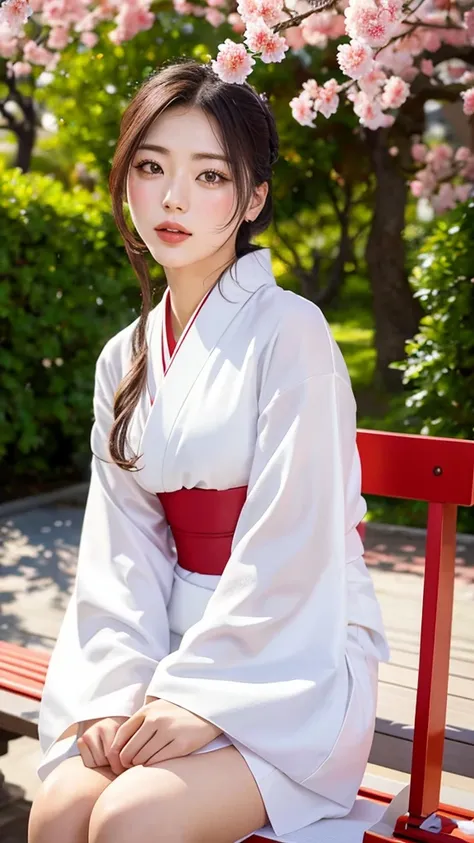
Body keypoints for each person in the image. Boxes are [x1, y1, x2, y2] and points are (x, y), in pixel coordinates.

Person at [29, 58, 389, 843]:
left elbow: (297, 548)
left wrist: (203, 699)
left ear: (254, 197)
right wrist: (111, 692)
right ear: (127, 179)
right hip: (163, 650)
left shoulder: (291, 332)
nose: (174, 197)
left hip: (293, 660)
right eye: (152, 167)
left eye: (210, 175)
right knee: (57, 810)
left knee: (130, 817)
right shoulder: (122, 357)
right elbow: (119, 558)